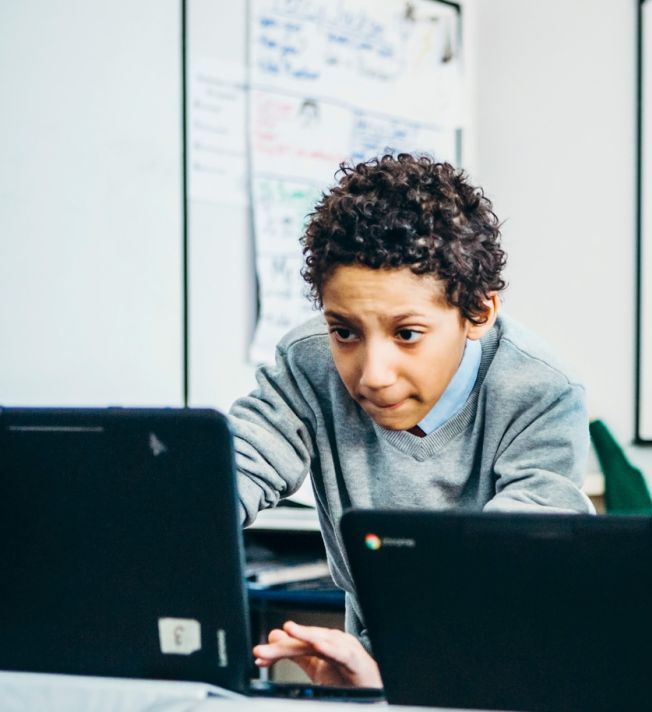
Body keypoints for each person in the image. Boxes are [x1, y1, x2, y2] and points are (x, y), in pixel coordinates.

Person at [230, 154, 593, 687]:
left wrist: (385, 681)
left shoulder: (540, 391)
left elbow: (510, 578)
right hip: (374, 664)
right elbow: (232, 467)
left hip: (513, 670)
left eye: (406, 334)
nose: (373, 375)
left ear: (478, 311)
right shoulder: (307, 361)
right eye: (345, 332)